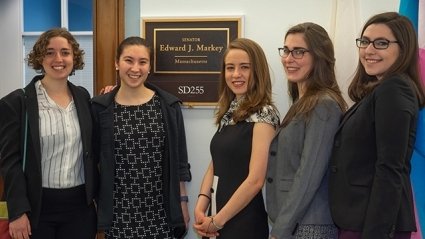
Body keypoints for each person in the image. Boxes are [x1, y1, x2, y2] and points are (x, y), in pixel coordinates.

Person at [329, 12, 425, 239]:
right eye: (364, 41)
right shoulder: (379, 90)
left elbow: (391, 168)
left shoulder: (394, 89)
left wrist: (375, 233)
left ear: (404, 48)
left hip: (373, 225)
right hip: (357, 219)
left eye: (381, 43)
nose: (368, 50)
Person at [0, 28, 98, 239]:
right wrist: (17, 212)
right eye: (50, 52)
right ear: (39, 58)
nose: (58, 59)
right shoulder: (17, 103)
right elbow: (10, 162)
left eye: (65, 52)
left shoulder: (83, 97)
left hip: (80, 209)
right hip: (36, 208)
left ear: (74, 57)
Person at [91, 36, 191, 239]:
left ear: (149, 66)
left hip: (161, 212)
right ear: (116, 63)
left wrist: (182, 202)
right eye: (129, 60)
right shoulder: (101, 107)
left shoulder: (168, 106)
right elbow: (92, 160)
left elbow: (179, 161)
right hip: (118, 213)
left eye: (142, 62)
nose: (135, 68)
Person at [265, 22, 347, 239]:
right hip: (296, 223)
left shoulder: (324, 104)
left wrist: (281, 229)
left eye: (298, 52)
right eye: (286, 50)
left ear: (319, 56)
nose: (288, 58)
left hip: (310, 226)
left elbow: (309, 174)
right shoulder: (303, 101)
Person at [193, 38, 280, 239]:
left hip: (243, 221)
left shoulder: (265, 114)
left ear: (257, 71)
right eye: (230, 68)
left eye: (244, 67)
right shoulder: (229, 111)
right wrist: (201, 205)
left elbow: (256, 180)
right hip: (216, 214)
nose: (236, 74)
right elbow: (215, 163)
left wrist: (217, 221)